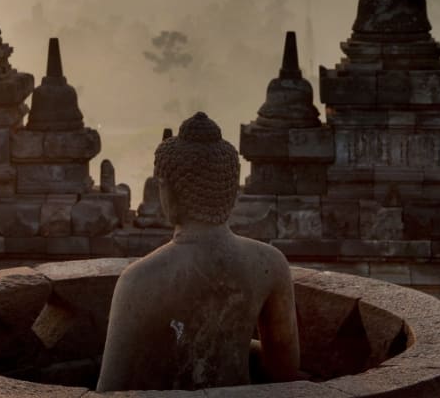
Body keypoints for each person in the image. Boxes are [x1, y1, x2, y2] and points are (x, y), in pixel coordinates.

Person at [97, 112, 300, 391]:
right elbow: (285, 370)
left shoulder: (138, 280)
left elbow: (110, 390)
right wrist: (232, 342)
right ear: (232, 190)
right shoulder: (270, 263)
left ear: (168, 191)